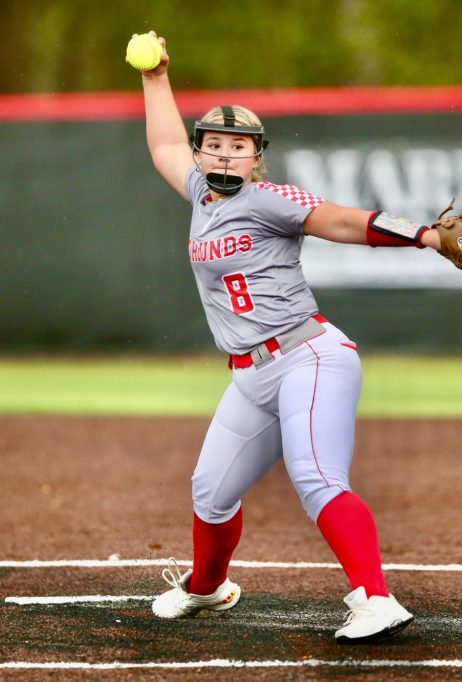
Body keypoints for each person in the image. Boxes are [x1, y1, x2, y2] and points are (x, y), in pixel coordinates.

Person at [135, 31, 440, 644]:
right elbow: (165, 143)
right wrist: (155, 77)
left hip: (308, 358)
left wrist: (425, 234)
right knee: (210, 491)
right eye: (214, 146)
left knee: (317, 477)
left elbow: (344, 221)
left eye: (238, 147)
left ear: (257, 158)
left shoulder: (270, 199)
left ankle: (375, 599)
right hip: (250, 375)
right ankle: (207, 587)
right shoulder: (198, 194)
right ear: (201, 154)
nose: (225, 156)